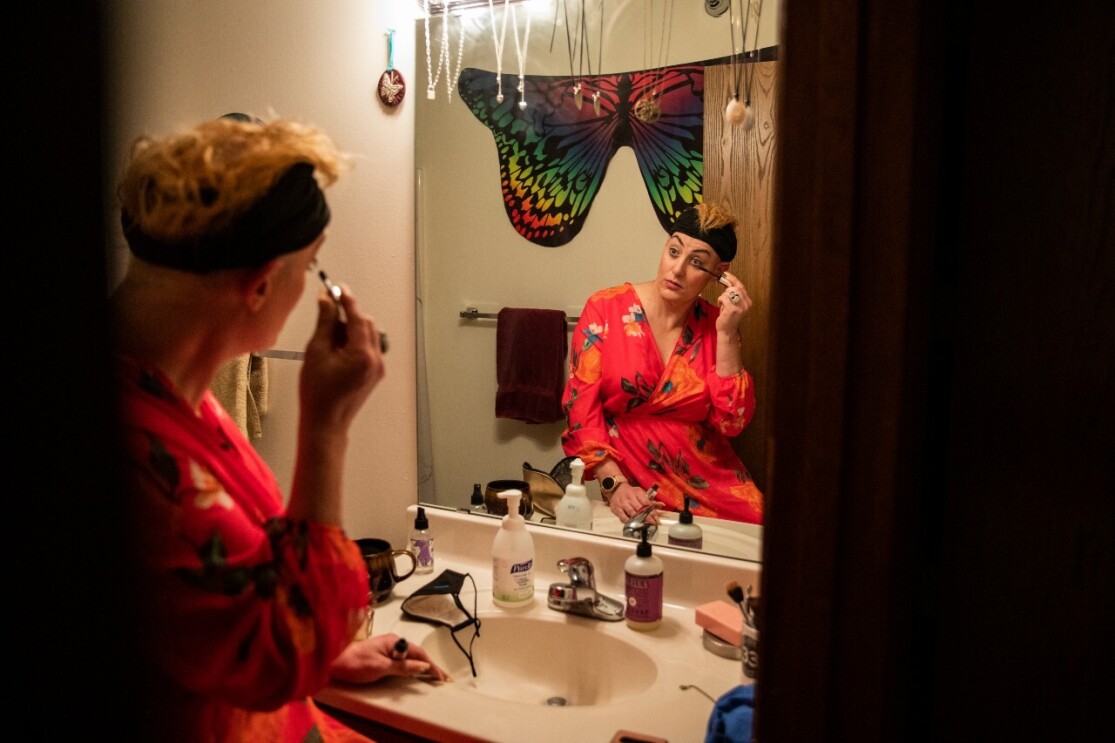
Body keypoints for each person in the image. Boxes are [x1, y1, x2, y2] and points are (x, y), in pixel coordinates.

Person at [111, 115, 448, 742]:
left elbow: (208, 629)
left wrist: (327, 661)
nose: (314, 285)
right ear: (262, 284)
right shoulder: (142, 460)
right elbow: (278, 652)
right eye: (312, 266)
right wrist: (328, 426)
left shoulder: (180, 397)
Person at [560, 202, 764, 526]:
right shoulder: (606, 309)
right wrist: (614, 483)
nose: (677, 270)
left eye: (696, 262)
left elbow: (732, 423)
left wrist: (726, 333)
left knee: (764, 542)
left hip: (710, 484)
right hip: (629, 479)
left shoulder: (717, 325)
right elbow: (580, 406)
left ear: (719, 274)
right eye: (673, 251)